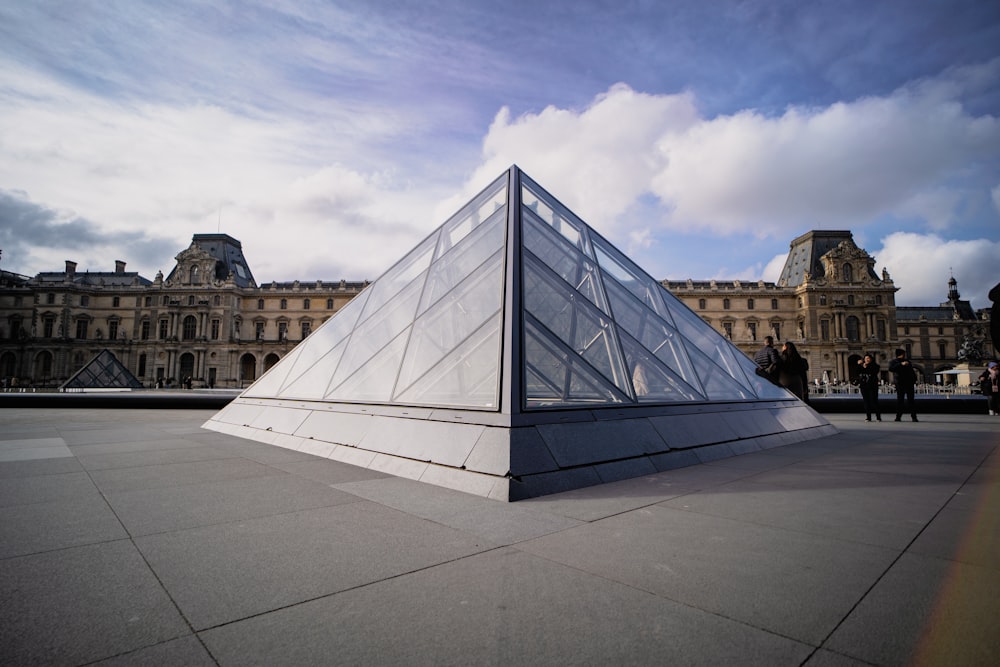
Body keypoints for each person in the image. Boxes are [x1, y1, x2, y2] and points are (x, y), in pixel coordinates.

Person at [889, 348, 918, 422]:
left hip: (909, 382)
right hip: (900, 383)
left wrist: (914, 379)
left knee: (911, 400)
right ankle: (898, 417)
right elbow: (891, 369)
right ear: (901, 354)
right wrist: (900, 364)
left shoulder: (907, 361)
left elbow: (911, 371)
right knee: (900, 400)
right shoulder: (894, 362)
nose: (905, 355)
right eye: (904, 354)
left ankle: (914, 417)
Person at [856, 354, 881, 421]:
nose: (867, 359)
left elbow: (873, 372)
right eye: (866, 358)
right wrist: (859, 365)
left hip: (872, 386)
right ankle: (868, 417)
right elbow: (857, 372)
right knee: (866, 402)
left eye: (868, 358)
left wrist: (865, 367)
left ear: (871, 359)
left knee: (874, 401)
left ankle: (878, 417)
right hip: (864, 386)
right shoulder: (861, 366)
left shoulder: (875, 366)